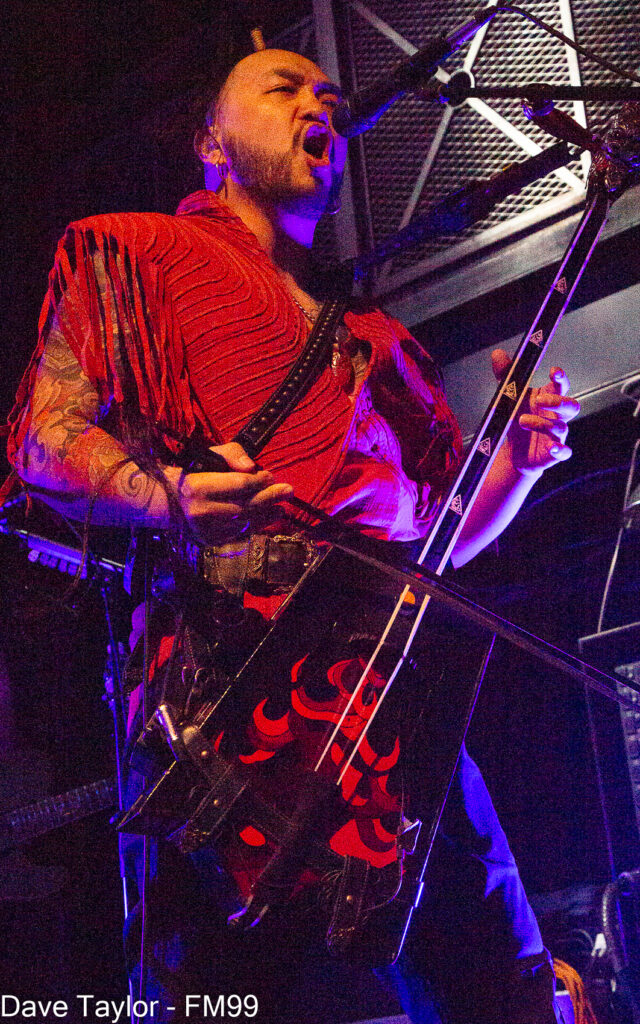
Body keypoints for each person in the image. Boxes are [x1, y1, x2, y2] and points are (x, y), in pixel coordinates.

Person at [5, 47, 580, 1024]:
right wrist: (168, 493)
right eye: (282, 88)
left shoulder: (382, 339)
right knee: (256, 996)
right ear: (211, 141)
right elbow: (41, 436)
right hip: (236, 691)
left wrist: (516, 465)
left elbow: (438, 543)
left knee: (506, 992)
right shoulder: (134, 253)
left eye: (329, 94)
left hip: (401, 702)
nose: (318, 103)